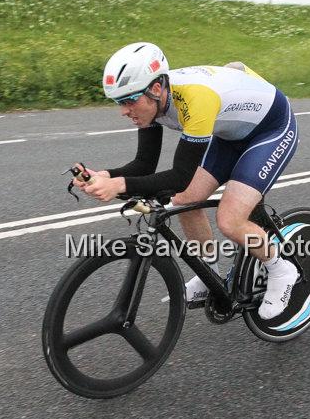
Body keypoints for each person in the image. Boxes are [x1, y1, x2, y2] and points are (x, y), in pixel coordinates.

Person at [81, 42, 299, 320]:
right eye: (118, 102)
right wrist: (106, 176)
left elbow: (180, 177)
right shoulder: (151, 104)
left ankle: (281, 269)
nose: (123, 111)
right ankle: (210, 275)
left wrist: (119, 186)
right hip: (230, 133)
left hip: (270, 130)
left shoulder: (197, 100)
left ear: (156, 89)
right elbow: (143, 165)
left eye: (128, 101)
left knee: (230, 220)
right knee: (185, 201)